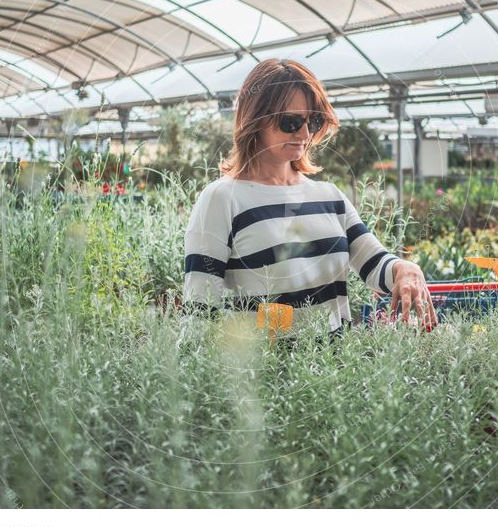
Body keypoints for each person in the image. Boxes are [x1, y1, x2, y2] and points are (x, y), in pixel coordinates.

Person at [182, 59, 437, 342]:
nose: (304, 134)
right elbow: (199, 312)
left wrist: (405, 269)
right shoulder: (222, 199)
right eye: (290, 122)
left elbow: (375, 265)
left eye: (312, 122)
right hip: (261, 379)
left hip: (335, 374)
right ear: (254, 119)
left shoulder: (329, 197)